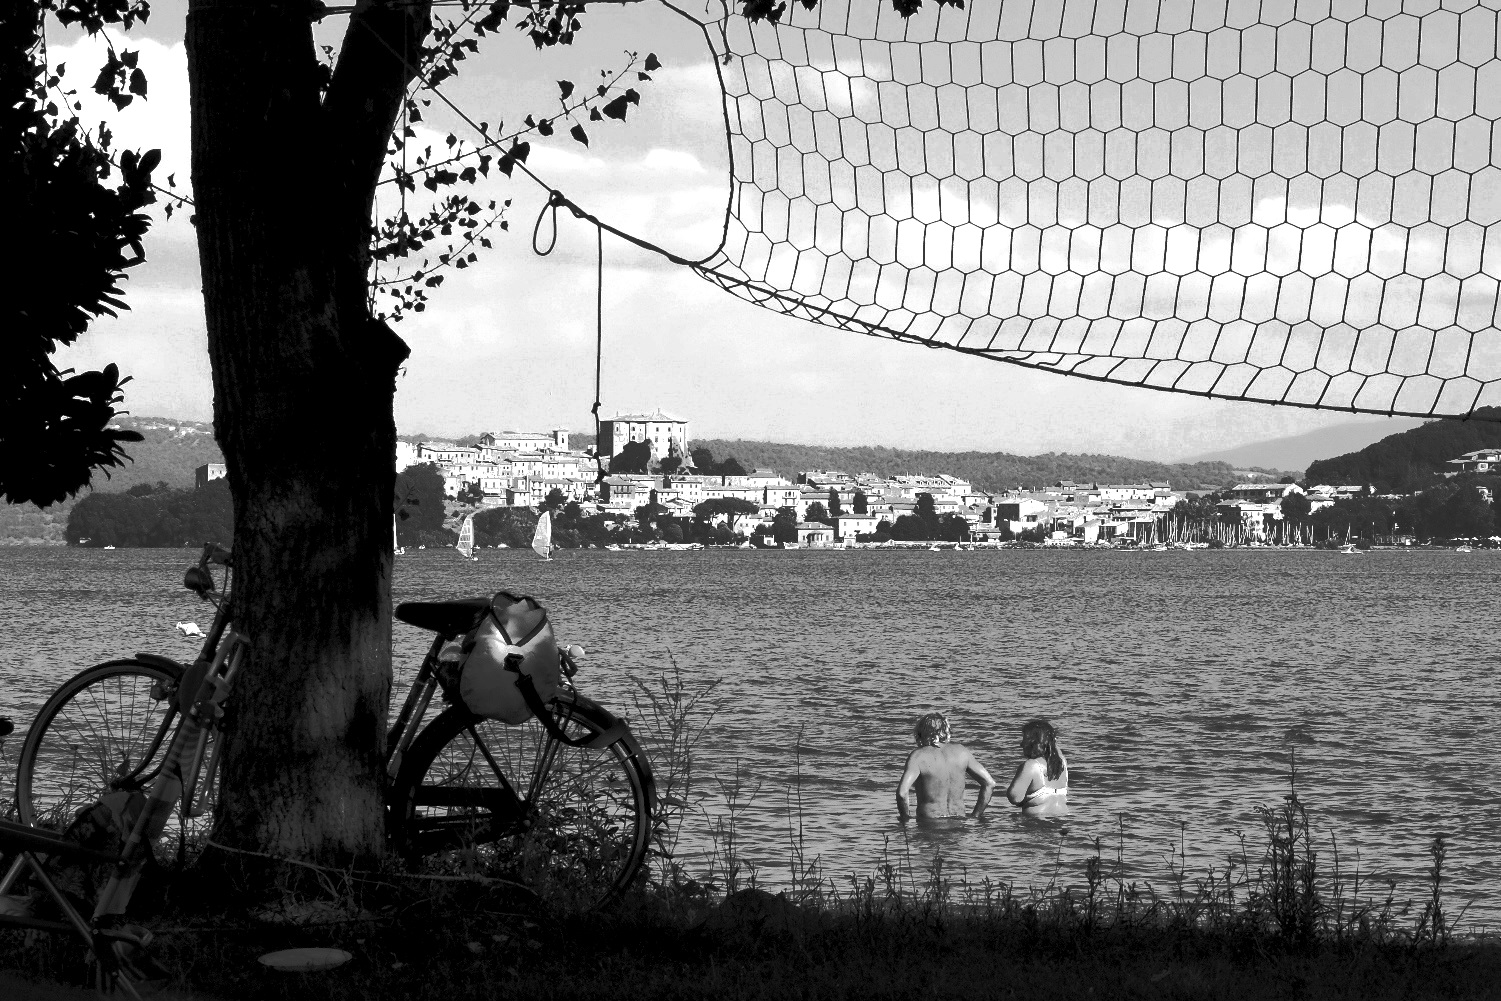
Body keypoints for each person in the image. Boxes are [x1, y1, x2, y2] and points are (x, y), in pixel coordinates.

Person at [895, 712, 995, 821]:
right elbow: (989, 783)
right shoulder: (962, 752)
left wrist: (905, 819)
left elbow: (902, 793)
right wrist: (976, 815)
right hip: (958, 823)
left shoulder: (918, 756)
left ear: (921, 733)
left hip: (930, 824)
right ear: (945, 731)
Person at [1005, 718, 1069, 814]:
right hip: (1063, 822)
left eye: (1025, 740)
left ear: (1034, 743)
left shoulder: (1031, 766)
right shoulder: (1062, 763)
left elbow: (1015, 798)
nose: (1021, 744)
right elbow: (1054, 747)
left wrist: (1019, 773)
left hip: (1036, 825)